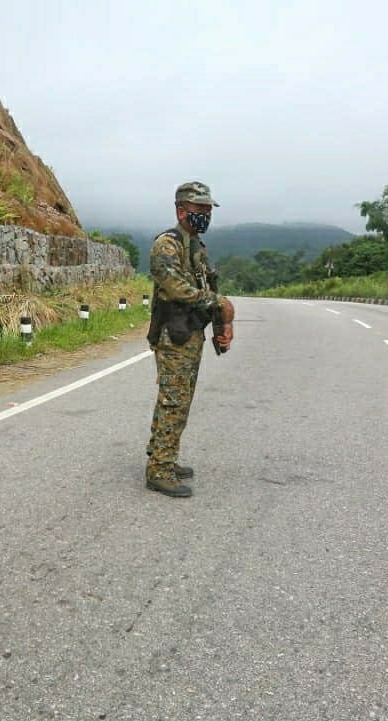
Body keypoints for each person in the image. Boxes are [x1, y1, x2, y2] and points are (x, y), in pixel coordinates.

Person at [144, 181, 234, 498]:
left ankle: (162, 453)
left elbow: (204, 285)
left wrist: (220, 319)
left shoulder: (195, 245)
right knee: (174, 399)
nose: (205, 215)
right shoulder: (167, 245)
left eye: (208, 210)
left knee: (181, 399)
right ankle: (159, 469)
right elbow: (175, 288)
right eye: (199, 210)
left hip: (191, 331)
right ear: (181, 210)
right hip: (173, 334)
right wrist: (218, 303)